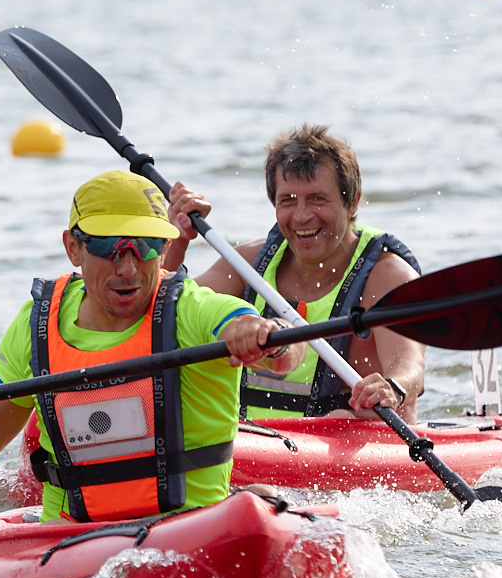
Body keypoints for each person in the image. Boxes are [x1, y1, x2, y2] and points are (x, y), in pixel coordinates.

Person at [0, 171, 302, 522]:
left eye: (146, 247)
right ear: (74, 248)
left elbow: (289, 349)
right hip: (70, 537)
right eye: (109, 247)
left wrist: (266, 337)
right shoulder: (37, 325)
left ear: (166, 246)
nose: (128, 268)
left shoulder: (193, 309)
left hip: (188, 529)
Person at [171, 123, 425, 422]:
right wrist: (177, 240)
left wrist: (394, 388)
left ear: (352, 201)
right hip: (255, 441)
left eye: (317, 199)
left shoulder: (389, 277)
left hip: (350, 435)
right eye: (288, 200)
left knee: (344, 416)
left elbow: (409, 365)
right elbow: (165, 314)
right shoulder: (246, 266)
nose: (302, 216)